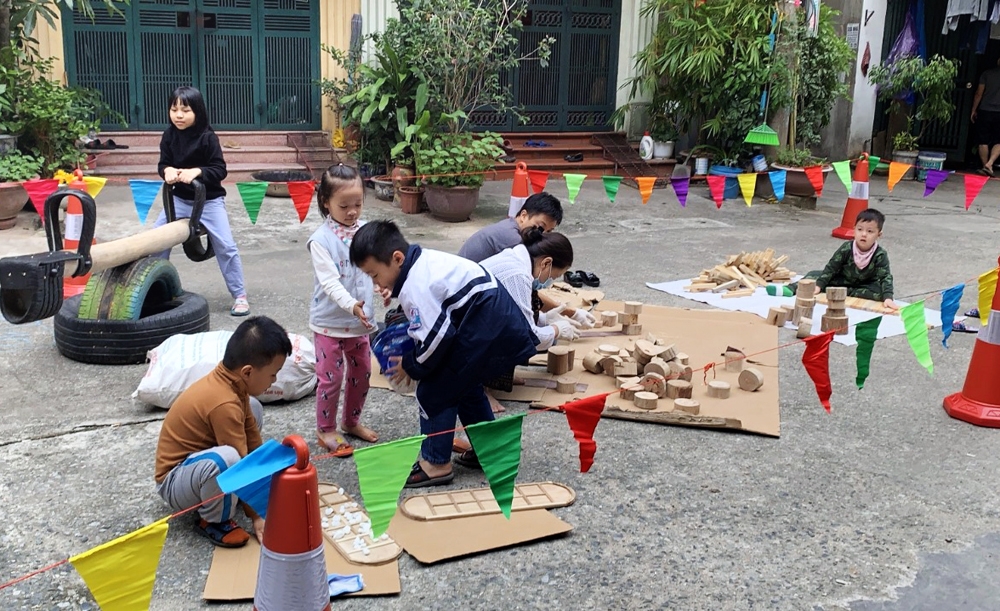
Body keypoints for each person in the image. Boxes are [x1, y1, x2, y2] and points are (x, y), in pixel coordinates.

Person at [349, 220, 538, 488]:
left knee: (434, 390)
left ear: (397, 258)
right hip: (493, 324)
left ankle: (436, 463)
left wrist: (411, 365)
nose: (375, 282)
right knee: (465, 388)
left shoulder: (416, 284)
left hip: (486, 329)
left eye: (374, 274)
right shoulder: (421, 264)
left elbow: (438, 337)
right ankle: (493, 452)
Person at [154, 316, 292, 547]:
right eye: (272, 374)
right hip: (174, 483)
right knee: (228, 459)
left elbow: (253, 445)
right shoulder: (224, 403)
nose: (274, 380)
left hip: (196, 466)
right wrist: (258, 515)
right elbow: (240, 467)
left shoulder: (234, 386)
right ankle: (214, 521)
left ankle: (224, 495)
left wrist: (267, 486)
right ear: (247, 372)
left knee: (254, 409)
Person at [153, 85, 251, 316]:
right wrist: (166, 170)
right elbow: (162, 163)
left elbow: (219, 170)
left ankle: (240, 296)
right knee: (156, 242)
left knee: (226, 246)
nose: (178, 115)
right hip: (177, 200)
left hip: (209, 201)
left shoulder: (208, 137)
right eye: (174, 109)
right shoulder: (168, 135)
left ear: (197, 111)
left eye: (185, 110)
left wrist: (197, 171)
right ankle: (155, 293)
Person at [308, 164, 384, 457]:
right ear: (326, 202)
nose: (352, 211)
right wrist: (352, 304)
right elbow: (329, 282)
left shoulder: (366, 232)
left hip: (360, 322)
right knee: (331, 377)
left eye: (358, 204)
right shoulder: (320, 240)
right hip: (329, 322)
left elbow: (374, 268)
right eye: (344, 206)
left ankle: (351, 422)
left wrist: (383, 287)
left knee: (362, 372)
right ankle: (325, 428)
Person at [457, 192, 595, 327]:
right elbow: (526, 294)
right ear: (523, 216)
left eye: (549, 231)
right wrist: (569, 313)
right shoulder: (513, 242)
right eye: (540, 227)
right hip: (463, 306)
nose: (543, 235)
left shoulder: (511, 229)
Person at [802, 209, 897, 311]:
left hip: (866, 285)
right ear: (854, 229)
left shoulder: (880, 254)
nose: (864, 234)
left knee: (881, 292)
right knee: (812, 276)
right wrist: (819, 285)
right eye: (860, 229)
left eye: (870, 231)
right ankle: (791, 288)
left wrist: (888, 297)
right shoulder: (846, 247)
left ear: (879, 235)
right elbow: (832, 267)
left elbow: (885, 276)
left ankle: (844, 292)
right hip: (842, 280)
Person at [971, 58, 1000, 176]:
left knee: (983, 140)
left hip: (985, 110)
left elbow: (979, 93)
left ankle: (985, 166)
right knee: (999, 140)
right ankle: (990, 163)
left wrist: (973, 110)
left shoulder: (986, 74)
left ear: (998, 61)